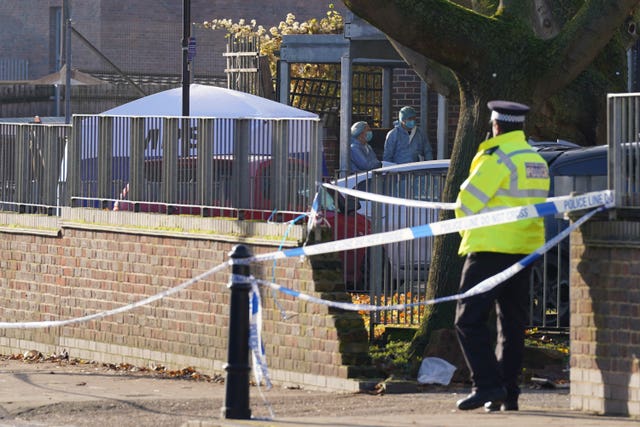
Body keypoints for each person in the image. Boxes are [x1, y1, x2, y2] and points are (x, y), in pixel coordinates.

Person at [453, 100, 550, 412]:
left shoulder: (496, 158)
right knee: (512, 324)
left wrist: (465, 233)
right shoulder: (535, 159)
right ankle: (509, 393)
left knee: (467, 320)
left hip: (489, 248)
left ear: (495, 126)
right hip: (525, 250)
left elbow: (466, 203)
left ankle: (486, 385)